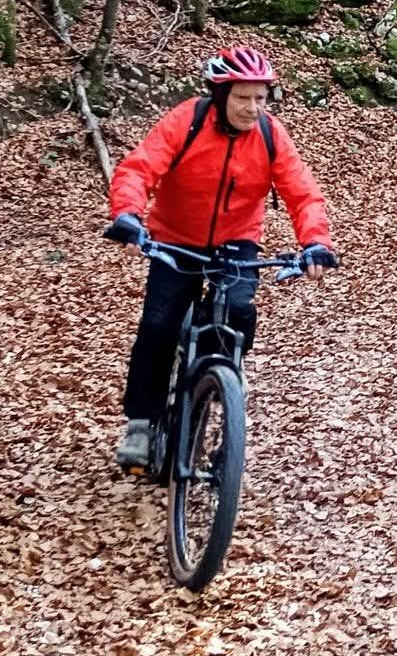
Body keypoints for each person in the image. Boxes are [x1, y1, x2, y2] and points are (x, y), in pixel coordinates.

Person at [103, 45, 335, 469]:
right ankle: (141, 421)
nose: (252, 108)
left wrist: (315, 243)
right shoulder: (187, 121)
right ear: (220, 94)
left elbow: (303, 192)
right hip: (175, 240)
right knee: (158, 325)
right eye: (243, 98)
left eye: (260, 98)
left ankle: (219, 383)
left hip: (236, 241)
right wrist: (128, 216)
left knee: (240, 311)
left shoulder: (269, 134)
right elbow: (138, 169)